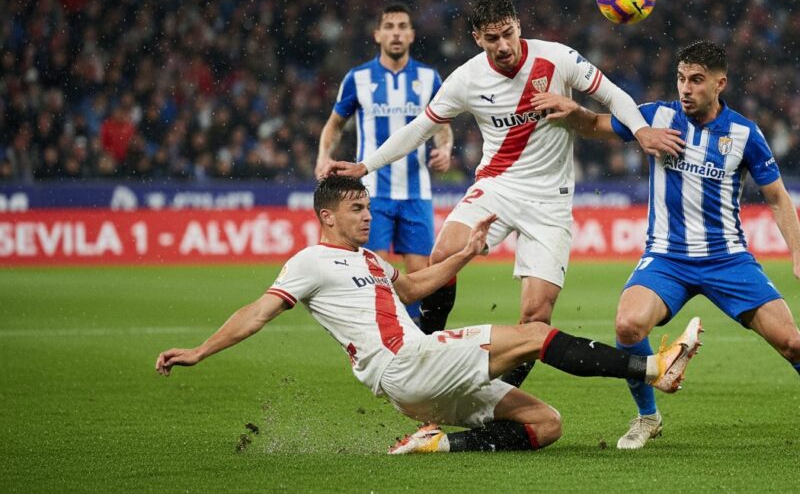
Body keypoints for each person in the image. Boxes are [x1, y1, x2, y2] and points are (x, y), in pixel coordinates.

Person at [155, 176, 702, 454]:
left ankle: (439, 444)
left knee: (546, 425)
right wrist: (201, 350)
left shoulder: (369, 259)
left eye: (368, 206)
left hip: (416, 384)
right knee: (535, 332)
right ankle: (655, 369)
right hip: (407, 361)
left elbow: (414, 283)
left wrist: (465, 254)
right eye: (356, 209)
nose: (368, 215)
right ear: (326, 216)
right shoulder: (309, 261)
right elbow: (258, 312)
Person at [533, 40, 800, 449]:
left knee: (793, 342)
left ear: (720, 83)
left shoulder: (744, 134)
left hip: (728, 260)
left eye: (697, 80)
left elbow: (778, 197)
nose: (686, 88)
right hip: (667, 258)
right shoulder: (656, 116)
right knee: (627, 325)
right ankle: (647, 417)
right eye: (681, 78)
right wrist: (572, 111)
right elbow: (596, 125)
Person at [329, 0, 685, 388]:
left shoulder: (557, 58)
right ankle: (423, 346)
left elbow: (612, 95)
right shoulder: (466, 79)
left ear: (518, 26)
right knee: (444, 252)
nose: (502, 46)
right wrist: (366, 165)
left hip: (550, 203)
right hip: (498, 187)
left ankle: (500, 399)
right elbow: (419, 129)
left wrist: (641, 131)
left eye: (508, 34)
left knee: (535, 319)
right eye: (491, 38)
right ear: (476, 38)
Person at [315, 3, 454, 325]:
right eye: (389, 26)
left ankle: (414, 334)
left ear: (412, 35)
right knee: (375, 268)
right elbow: (335, 124)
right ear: (377, 34)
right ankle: (388, 330)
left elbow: (442, 127)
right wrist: (323, 155)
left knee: (421, 273)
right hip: (372, 192)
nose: (396, 32)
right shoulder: (358, 78)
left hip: (416, 191)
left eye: (402, 26)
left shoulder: (427, 77)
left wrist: (445, 149)